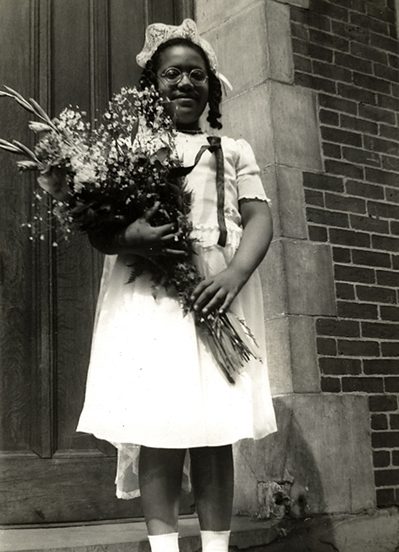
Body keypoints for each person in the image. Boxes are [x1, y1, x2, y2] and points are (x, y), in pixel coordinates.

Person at [76, 18, 277, 552]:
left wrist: (235, 273)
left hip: (216, 295)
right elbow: (102, 231)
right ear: (152, 86)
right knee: (161, 430)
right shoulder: (129, 149)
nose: (184, 84)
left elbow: (259, 218)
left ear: (211, 85)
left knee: (214, 435)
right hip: (153, 301)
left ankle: (216, 547)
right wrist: (131, 235)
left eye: (196, 74)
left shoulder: (232, 148)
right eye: (171, 75)